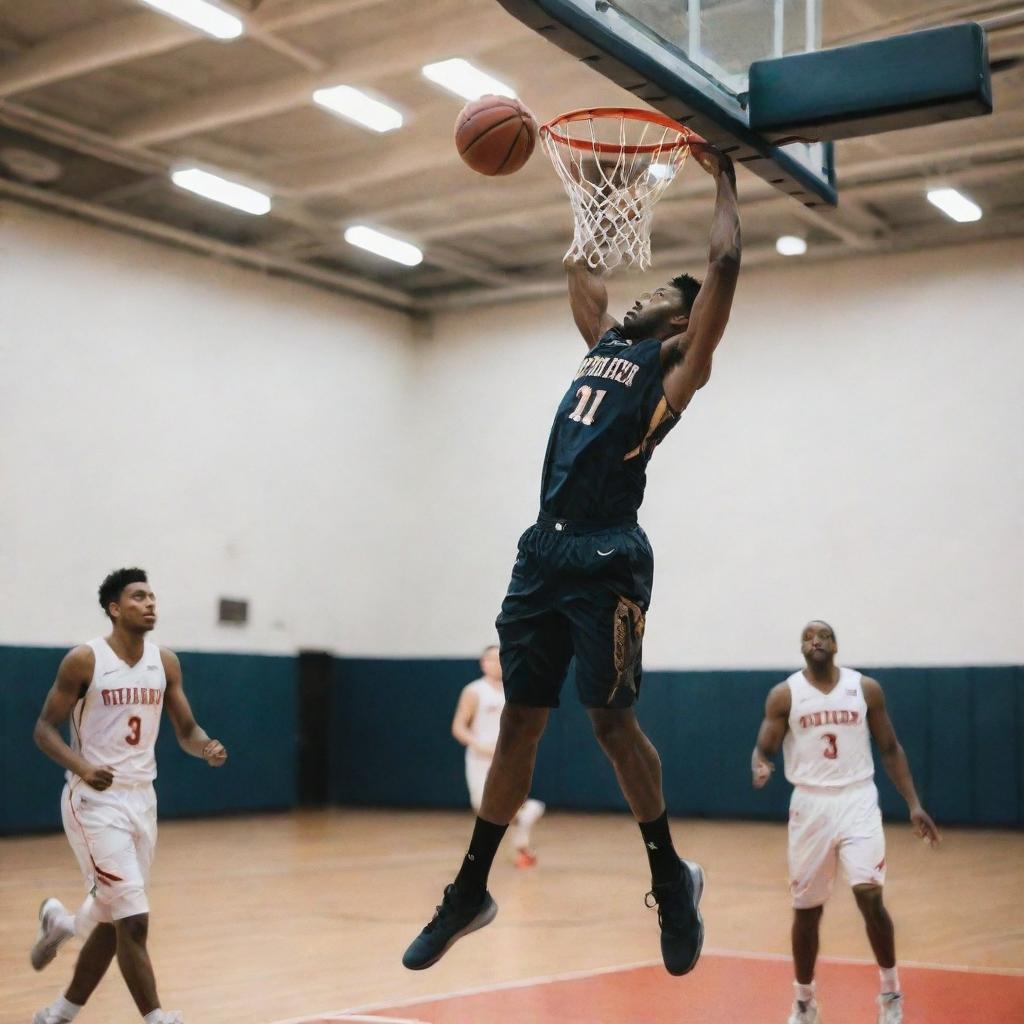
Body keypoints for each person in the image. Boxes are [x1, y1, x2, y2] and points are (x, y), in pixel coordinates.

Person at [403, 143, 741, 975]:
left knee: (610, 723)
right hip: (543, 549)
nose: (643, 293)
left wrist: (723, 174)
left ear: (680, 322)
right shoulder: (601, 345)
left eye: (661, 294)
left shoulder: (675, 373)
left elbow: (724, 260)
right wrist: (601, 194)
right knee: (521, 718)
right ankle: (470, 891)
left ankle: (671, 878)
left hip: (607, 561)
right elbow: (584, 274)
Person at [30, 568, 227, 1024]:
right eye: (138, 597)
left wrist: (206, 747)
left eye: (153, 596)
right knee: (134, 920)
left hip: (142, 801)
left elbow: (186, 730)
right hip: (93, 802)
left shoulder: (166, 663)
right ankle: (156, 1017)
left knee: (113, 918)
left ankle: (59, 1004)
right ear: (115, 609)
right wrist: (82, 766)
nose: (150, 603)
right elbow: (43, 728)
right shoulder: (84, 660)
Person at [751, 620, 941, 1024]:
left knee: (870, 895)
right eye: (807, 635)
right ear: (801, 648)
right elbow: (763, 747)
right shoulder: (784, 695)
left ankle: (891, 994)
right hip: (810, 805)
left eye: (823, 635)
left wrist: (913, 804)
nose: (815, 640)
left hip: (857, 799)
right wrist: (761, 765)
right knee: (807, 910)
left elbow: (890, 748)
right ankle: (804, 1002)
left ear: (836, 644)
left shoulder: (865, 689)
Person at [451, 645, 545, 868]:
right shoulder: (474, 691)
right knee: (482, 806)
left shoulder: (514, 692)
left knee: (508, 803)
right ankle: (528, 815)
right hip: (479, 758)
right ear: (483, 663)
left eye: (501, 659)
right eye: (492, 659)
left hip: (508, 758)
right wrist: (478, 744)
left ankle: (521, 849)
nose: (497, 664)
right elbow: (458, 726)